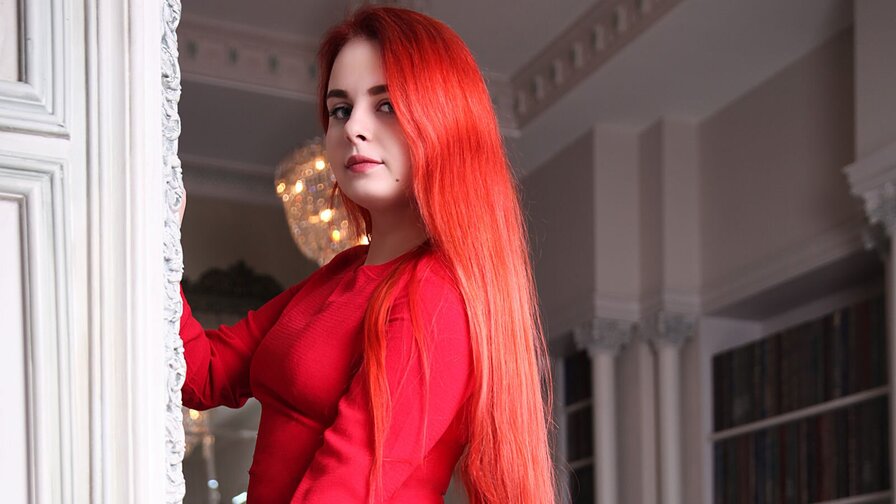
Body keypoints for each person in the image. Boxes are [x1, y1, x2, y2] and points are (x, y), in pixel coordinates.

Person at [177, 6, 556, 503]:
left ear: (445, 122)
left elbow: (346, 485)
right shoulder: (337, 276)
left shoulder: (436, 294)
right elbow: (199, 373)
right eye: (340, 109)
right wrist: (161, 241)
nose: (352, 126)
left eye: (386, 105)